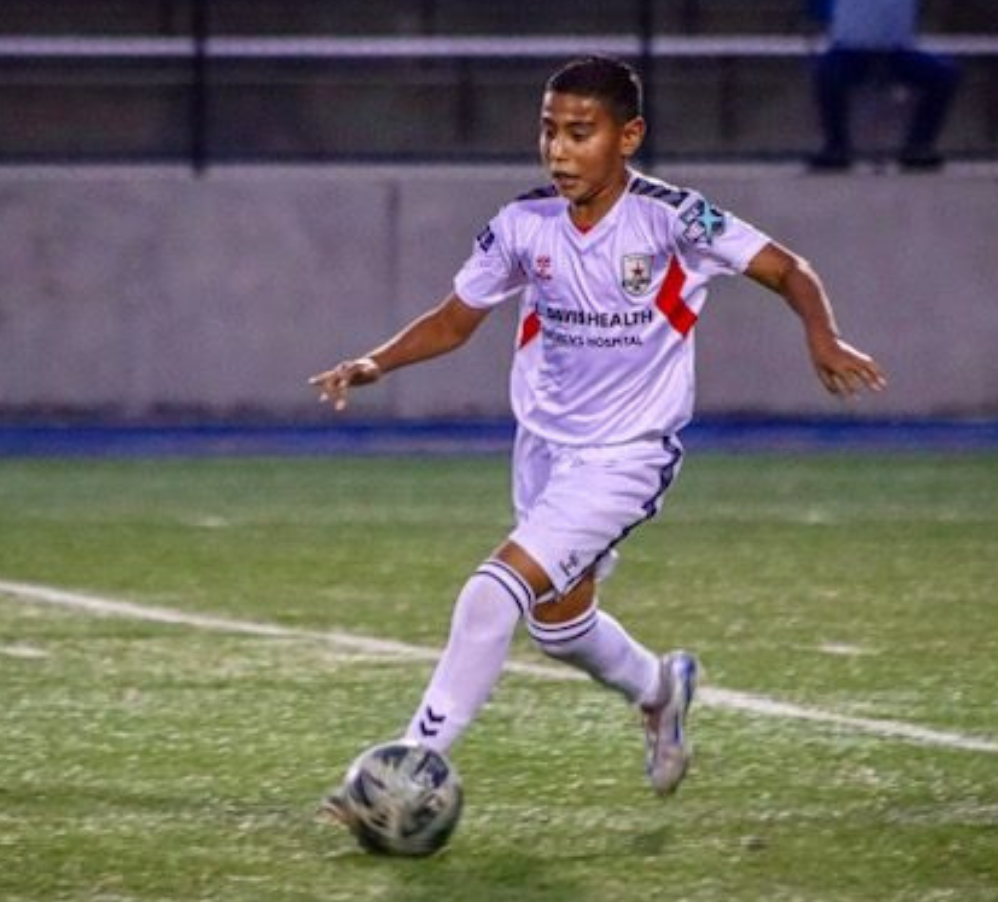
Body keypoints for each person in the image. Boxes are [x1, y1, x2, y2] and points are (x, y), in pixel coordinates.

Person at [311, 56, 887, 815]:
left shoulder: (674, 218)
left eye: (579, 133)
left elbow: (788, 269)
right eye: (548, 131)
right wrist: (374, 363)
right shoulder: (524, 224)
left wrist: (824, 336)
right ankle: (660, 688)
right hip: (543, 447)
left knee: (493, 590)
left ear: (628, 136)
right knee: (558, 625)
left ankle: (411, 764)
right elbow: (455, 319)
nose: (558, 150)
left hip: (628, 455)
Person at [809, 0, 960, 170]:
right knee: (827, 72)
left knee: (943, 74)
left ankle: (919, 145)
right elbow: (819, 8)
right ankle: (836, 146)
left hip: (897, 52)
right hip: (850, 51)